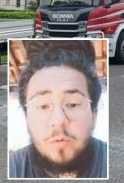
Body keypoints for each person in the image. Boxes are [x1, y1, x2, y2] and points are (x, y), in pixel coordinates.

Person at [9, 40, 107, 178]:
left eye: (73, 104)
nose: (58, 120)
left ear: (94, 114)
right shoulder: (12, 167)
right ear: (26, 117)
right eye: (43, 106)